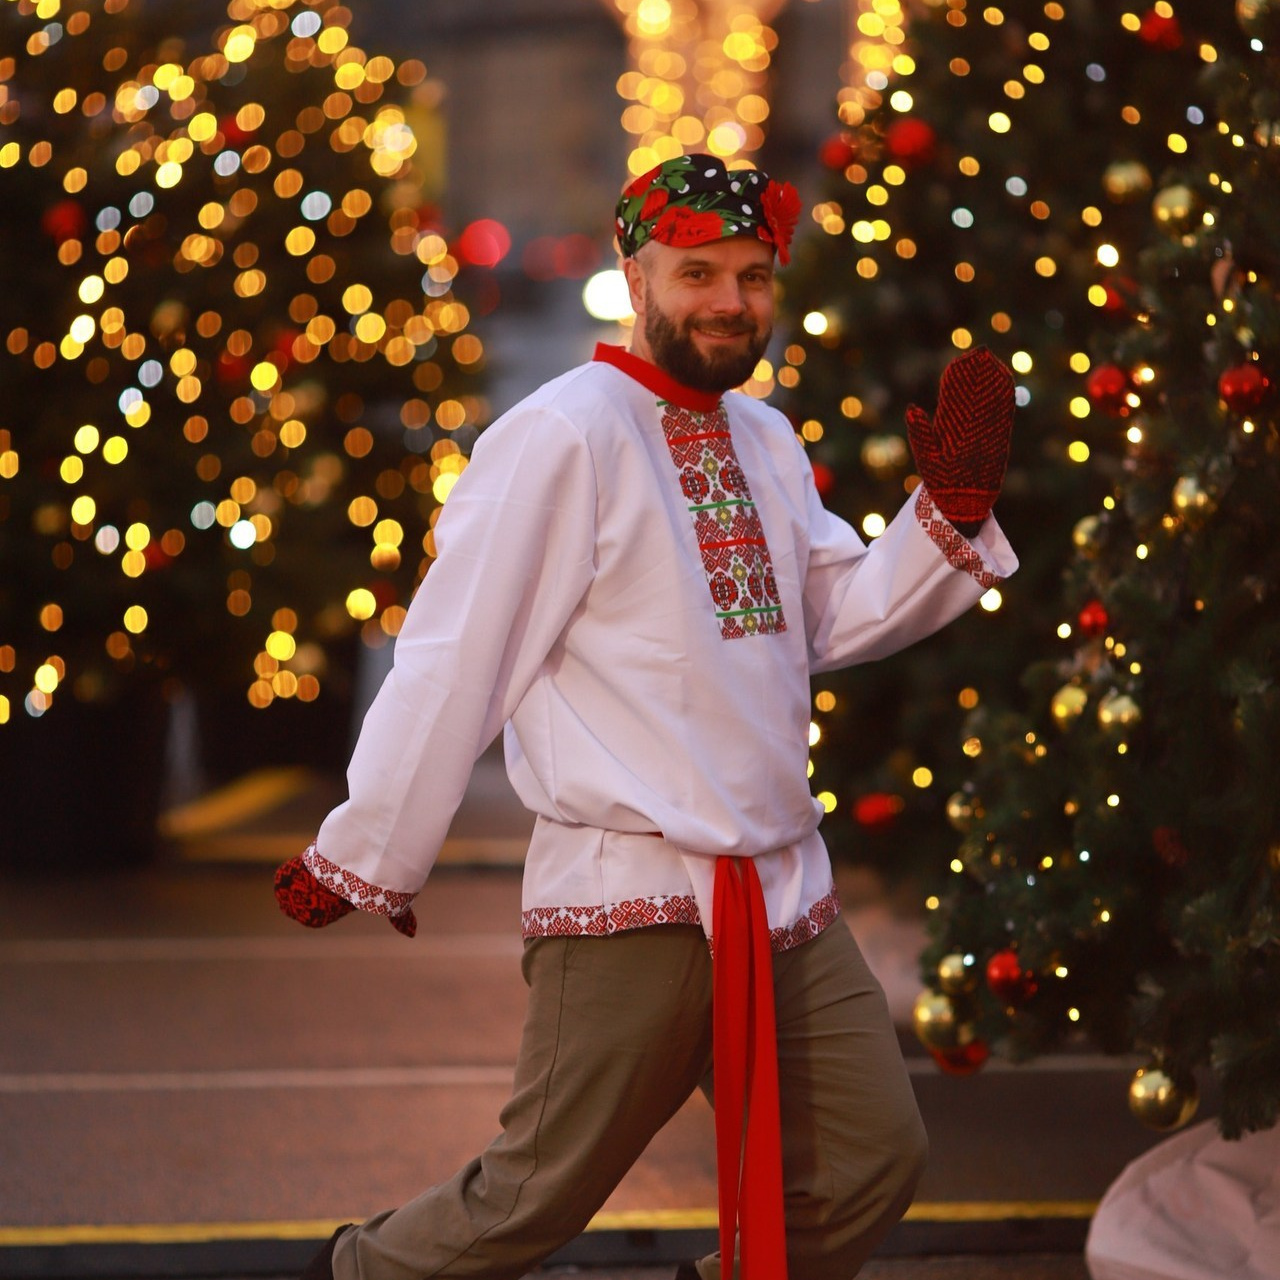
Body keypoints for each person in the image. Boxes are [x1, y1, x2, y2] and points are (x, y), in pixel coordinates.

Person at [274, 153, 1018, 1280]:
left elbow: (826, 613)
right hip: (632, 896)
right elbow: (454, 653)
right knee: (527, 1198)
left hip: (781, 888)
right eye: (698, 272)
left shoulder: (764, 436)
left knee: (868, 1157)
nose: (730, 301)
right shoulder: (561, 433)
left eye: (754, 276)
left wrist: (943, 514)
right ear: (636, 272)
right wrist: (366, 848)